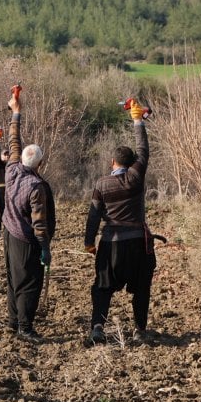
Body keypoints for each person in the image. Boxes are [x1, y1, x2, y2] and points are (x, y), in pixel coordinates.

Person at [84, 99, 154, 345]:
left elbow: (94, 215)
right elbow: (144, 150)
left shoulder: (102, 184)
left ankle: (98, 328)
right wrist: (137, 121)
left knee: (102, 287)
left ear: (113, 163)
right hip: (137, 244)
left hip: (110, 244)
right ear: (132, 163)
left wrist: (89, 242)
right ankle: (139, 330)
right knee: (141, 288)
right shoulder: (136, 177)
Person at [1, 88, 56, 342]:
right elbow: (39, 223)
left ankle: (14, 322)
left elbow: (14, 141)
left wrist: (16, 112)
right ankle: (25, 327)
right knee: (29, 283)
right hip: (25, 240)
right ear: (40, 165)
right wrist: (45, 248)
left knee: (14, 279)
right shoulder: (37, 188)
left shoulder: (12, 169)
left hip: (9, 233)